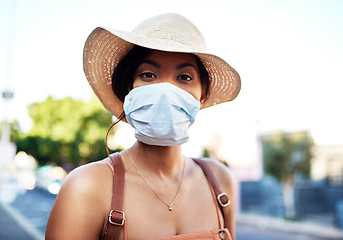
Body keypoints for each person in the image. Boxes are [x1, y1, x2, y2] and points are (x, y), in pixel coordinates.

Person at [46, 13, 241, 240]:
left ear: (202, 95)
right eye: (148, 74)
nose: (165, 90)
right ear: (128, 90)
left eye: (184, 77)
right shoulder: (87, 186)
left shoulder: (219, 182)